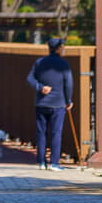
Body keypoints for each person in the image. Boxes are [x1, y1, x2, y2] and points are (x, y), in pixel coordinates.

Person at [28, 37, 74, 170]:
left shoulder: (39, 62)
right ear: (59, 48)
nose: (64, 49)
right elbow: (68, 84)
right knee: (56, 133)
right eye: (63, 47)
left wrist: (39, 86)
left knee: (41, 132)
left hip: (41, 102)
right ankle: (54, 163)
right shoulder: (64, 64)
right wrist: (68, 100)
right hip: (58, 103)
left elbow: (30, 78)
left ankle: (41, 162)